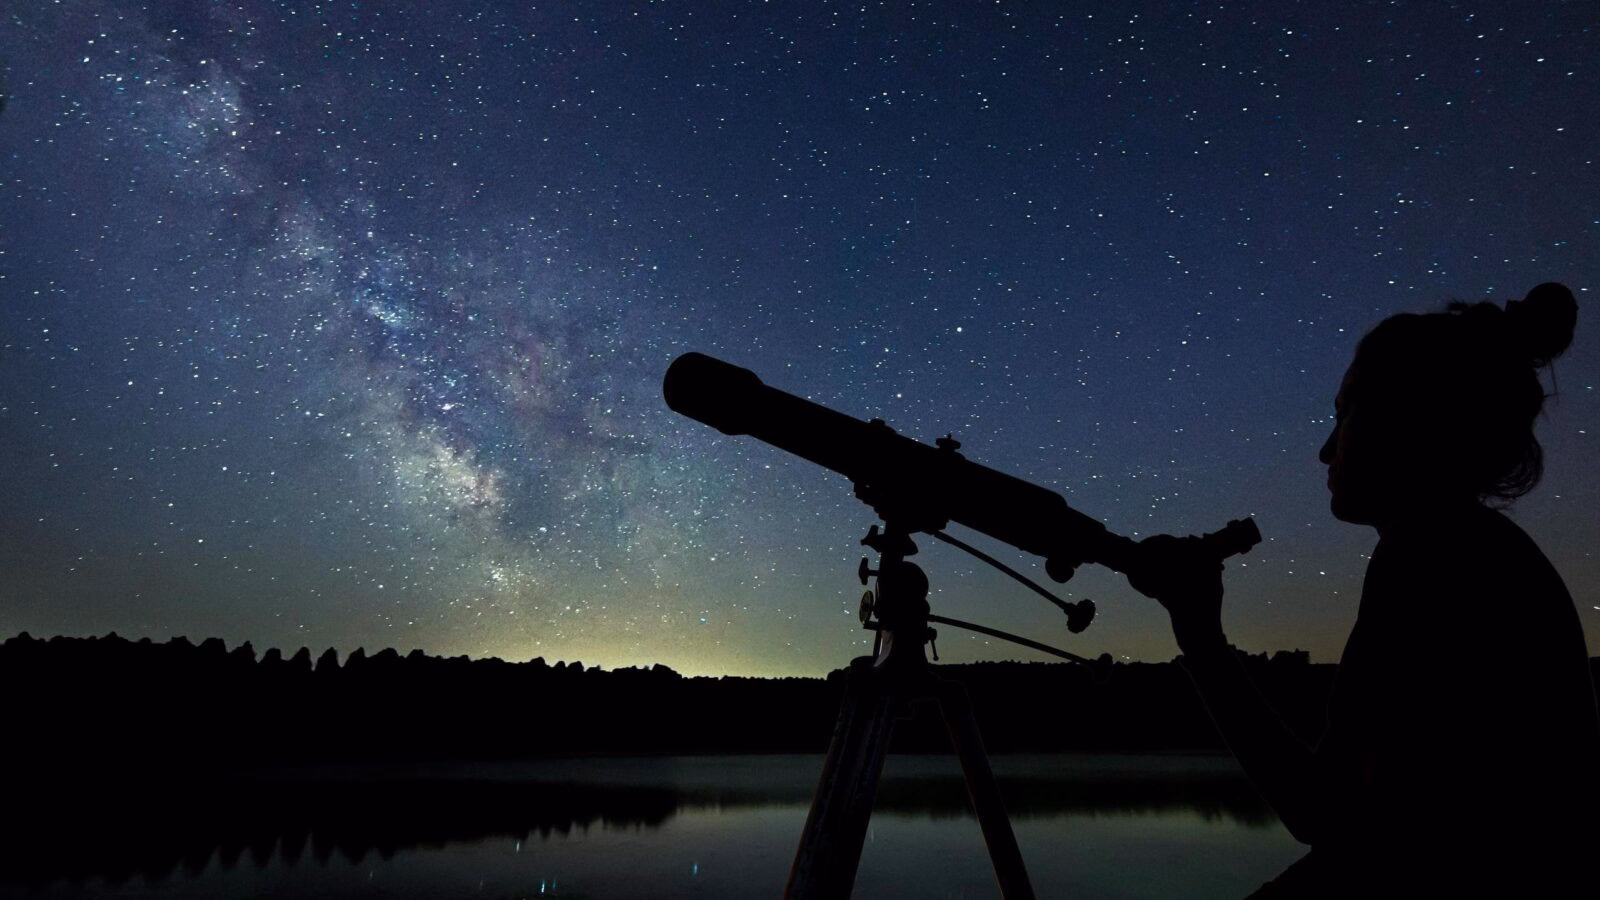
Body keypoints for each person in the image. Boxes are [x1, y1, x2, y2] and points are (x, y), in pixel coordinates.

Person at [1131, 283, 1599, 896]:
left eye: (1345, 413)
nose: (1326, 450)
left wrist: (1198, 633)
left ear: (1411, 420)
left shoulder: (1435, 560)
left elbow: (1325, 813)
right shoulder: (1469, 550)